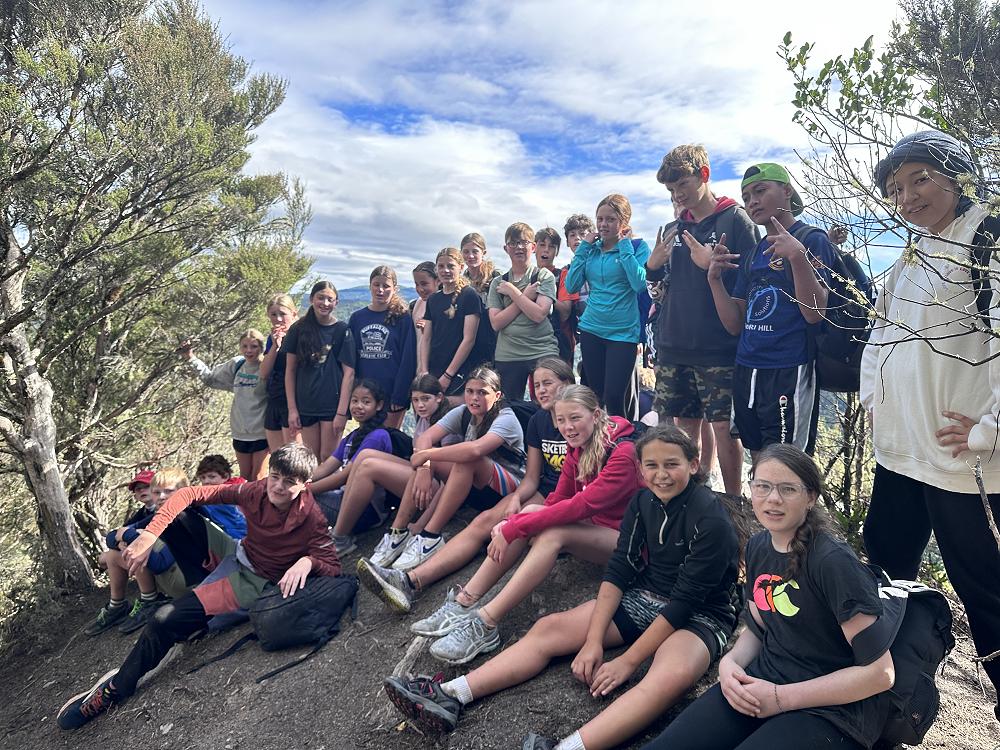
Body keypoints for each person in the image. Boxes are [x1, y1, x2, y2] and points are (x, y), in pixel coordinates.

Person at [383, 425, 740, 750]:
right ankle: (450, 694)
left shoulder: (711, 520)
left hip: (701, 615)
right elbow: (620, 569)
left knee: (669, 677)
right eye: (652, 466)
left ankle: (566, 748)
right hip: (646, 596)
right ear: (641, 470)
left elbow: (683, 603)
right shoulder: (643, 502)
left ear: (694, 465)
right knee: (549, 628)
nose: (661, 474)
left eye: (672, 464)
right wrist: (593, 641)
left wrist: (627, 662)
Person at [56, 443, 340, 730]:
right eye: (275, 476)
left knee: (164, 619)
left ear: (305, 485)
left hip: (254, 580)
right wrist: (148, 537)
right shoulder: (256, 490)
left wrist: (307, 561)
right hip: (236, 552)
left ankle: (117, 688)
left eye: (289, 482)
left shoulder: (312, 519)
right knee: (179, 513)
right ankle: (193, 597)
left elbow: (332, 565)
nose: (277, 486)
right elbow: (188, 493)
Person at [863, 130, 1000, 720]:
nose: (909, 197)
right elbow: (881, 332)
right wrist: (875, 399)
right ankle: (883, 697)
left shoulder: (987, 237)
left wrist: (990, 428)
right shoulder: (914, 253)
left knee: (985, 593)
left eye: (921, 178)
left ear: (957, 174)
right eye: (897, 189)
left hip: (962, 463)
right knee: (884, 571)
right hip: (901, 452)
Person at [366, 383, 645, 668]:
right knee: (532, 512)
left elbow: (580, 506)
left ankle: (486, 623)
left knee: (552, 531)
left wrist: (513, 528)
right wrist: (516, 522)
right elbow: (558, 499)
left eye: (575, 418)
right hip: (600, 529)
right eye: (561, 420)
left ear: (595, 415)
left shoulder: (623, 453)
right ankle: (463, 602)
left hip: (631, 544)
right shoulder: (580, 446)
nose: (567, 427)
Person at [642, 443, 895, 750]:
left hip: (830, 709)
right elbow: (758, 629)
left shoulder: (832, 562)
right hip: (763, 681)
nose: (773, 498)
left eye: (788, 489)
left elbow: (880, 674)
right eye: (762, 486)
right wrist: (730, 663)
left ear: (811, 497)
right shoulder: (758, 547)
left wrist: (781, 698)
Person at [356, 357, 574, 614]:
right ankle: (409, 580)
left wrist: (427, 456)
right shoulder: (539, 421)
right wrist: (517, 499)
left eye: (548, 383)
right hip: (539, 490)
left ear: (567, 384)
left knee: (503, 519)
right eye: (537, 385)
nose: (541, 390)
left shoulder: (574, 419)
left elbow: (477, 451)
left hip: (555, 495)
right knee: (482, 522)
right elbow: (533, 477)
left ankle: (462, 598)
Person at [647, 145, 757, 495]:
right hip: (674, 344)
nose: (678, 194)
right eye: (671, 189)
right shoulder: (672, 228)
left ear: (704, 175)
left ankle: (734, 504)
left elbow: (754, 282)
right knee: (683, 430)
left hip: (719, 347)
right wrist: (652, 268)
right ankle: (690, 498)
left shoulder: (735, 220)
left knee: (724, 429)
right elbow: (658, 293)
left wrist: (713, 267)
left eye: (683, 184)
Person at [707, 163, 837, 457]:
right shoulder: (755, 251)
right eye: (746, 196)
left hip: (789, 367)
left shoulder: (811, 239)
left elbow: (815, 312)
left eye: (760, 191)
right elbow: (735, 324)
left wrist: (798, 258)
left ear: (787, 191)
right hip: (747, 367)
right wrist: (714, 280)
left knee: (787, 462)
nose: (752, 201)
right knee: (756, 454)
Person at [368, 366, 525, 572]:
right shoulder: (463, 412)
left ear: (497, 396)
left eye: (482, 392)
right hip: (477, 485)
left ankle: (431, 536)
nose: (474, 398)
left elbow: (476, 449)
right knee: (432, 458)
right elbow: (425, 438)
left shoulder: (505, 418)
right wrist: (424, 468)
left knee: (466, 458)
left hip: (508, 488)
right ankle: (397, 533)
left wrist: (427, 455)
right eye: (470, 391)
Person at [332, 374, 459, 558]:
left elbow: (451, 479)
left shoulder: (447, 426)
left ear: (439, 397)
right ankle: (342, 525)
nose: (420, 405)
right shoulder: (424, 419)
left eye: (425, 399)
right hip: (419, 477)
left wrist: (421, 523)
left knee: (369, 467)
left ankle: (340, 538)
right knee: (366, 456)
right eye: (415, 400)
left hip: (435, 489)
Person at [565, 194, 650, 418]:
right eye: (600, 219)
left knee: (614, 397)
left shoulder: (638, 247)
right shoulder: (591, 249)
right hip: (592, 329)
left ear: (624, 222)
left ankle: (621, 439)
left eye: (610, 219)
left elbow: (639, 284)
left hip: (623, 333)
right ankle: (598, 440)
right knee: (595, 397)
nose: (603, 224)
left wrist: (624, 247)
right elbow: (571, 285)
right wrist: (584, 247)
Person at [309, 379, 397, 553]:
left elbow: (342, 478)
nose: (359, 406)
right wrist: (299, 481)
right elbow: (325, 468)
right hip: (346, 501)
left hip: (367, 511)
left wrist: (304, 491)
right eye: (355, 401)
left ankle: (339, 540)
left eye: (366, 402)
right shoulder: (352, 437)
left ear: (379, 405)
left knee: (302, 499)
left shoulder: (377, 436)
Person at [180, 329, 269, 480]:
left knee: (258, 477)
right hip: (239, 431)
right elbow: (210, 379)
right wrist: (190, 358)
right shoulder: (237, 364)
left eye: (254, 346)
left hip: (261, 432)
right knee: (244, 478)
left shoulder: (266, 366)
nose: (249, 350)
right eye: (245, 346)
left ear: (261, 348)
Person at [284, 280, 357, 461]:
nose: (325, 303)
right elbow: (290, 371)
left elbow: (349, 373)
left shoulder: (342, 330)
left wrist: (341, 413)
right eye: (320, 298)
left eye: (330, 299)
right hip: (306, 404)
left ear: (336, 302)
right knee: (311, 458)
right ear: (311, 299)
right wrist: (292, 409)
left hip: (332, 405)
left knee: (329, 457)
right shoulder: (298, 329)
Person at [488, 222, 559, 399]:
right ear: (506, 248)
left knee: (551, 403)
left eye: (523, 242)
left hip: (542, 349)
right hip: (508, 353)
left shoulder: (543, 276)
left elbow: (538, 314)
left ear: (533, 247)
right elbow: (496, 323)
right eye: (513, 243)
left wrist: (513, 292)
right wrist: (525, 296)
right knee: (509, 407)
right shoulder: (498, 283)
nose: (518, 247)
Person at [84, 469, 158, 636]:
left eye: (146, 486)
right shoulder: (142, 513)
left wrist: (127, 537)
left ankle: (150, 600)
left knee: (131, 549)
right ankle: (117, 605)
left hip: (167, 561)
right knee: (112, 555)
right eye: (137, 489)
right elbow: (113, 535)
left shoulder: (163, 508)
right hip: (153, 559)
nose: (142, 490)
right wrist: (121, 541)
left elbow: (133, 533)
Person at [349, 265, 416, 429]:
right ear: (370, 286)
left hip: (392, 394)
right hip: (364, 395)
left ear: (395, 289)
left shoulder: (402, 318)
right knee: (366, 438)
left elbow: (408, 359)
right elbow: (350, 360)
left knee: (387, 439)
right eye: (376, 284)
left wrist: (400, 396)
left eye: (386, 286)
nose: (380, 290)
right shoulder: (357, 318)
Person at [419, 248, 490, 400]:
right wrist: (424, 371)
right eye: (441, 266)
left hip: (458, 370)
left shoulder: (469, 295)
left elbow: (469, 339)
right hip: (435, 367)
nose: (445, 270)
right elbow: (426, 338)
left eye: (450, 266)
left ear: (461, 267)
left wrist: (448, 375)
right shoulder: (433, 299)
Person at [259, 293, 299, 451]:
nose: (278, 319)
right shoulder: (273, 338)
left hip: (294, 401)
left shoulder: (300, 335)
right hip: (275, 399)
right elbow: (263, 373)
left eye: (283, 314)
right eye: (273, 315)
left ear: (293, 313)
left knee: (293, 455)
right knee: (277, 456)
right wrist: (275, 345)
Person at [535, 226, 576, 364]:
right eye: (542, 245)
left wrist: (543, 294)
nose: (546, 249)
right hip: (530, 342)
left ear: (557, 252)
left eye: (551, 247)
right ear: (534, 247)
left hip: (558, 344)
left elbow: (565, 312)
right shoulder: (526, 275)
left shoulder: (563, 275)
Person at [193, 454, 248, 540]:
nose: (206, 481)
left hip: (238, 538)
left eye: (212, 477)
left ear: (225, 476)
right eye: (203, 478)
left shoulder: (228, 494)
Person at [410, 261, 439, 339]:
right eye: (417, 284)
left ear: (437, 281)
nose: (420, 289)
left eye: (424, 284)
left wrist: (429, 328)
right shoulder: (414, 306)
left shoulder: (445, 305)